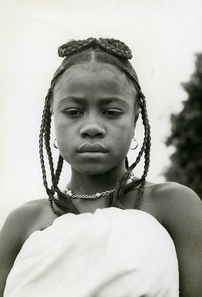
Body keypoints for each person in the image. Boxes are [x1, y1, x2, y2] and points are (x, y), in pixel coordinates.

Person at [0, 37, 202, 297]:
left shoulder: (173, 206)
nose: (92, 127)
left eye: (111, 112)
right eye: (73, 112)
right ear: (52, 114)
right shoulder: (23, 223)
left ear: (135, 116)